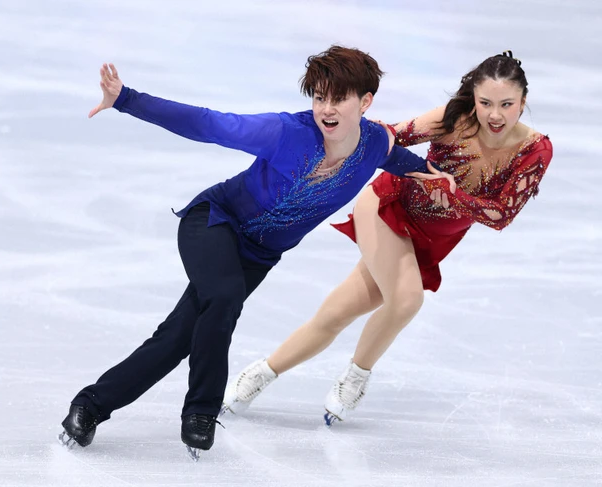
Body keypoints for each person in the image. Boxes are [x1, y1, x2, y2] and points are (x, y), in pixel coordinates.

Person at [58, 45, 447, 459]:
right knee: (223, 298)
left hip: (257, 257)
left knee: (176, 339)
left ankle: (89, 406)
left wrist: (435, 176)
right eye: (319, 97)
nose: (326, 109)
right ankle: (201, 412)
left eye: (339, 99)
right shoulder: (287, 133)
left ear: (365, 102)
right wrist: (126, 99)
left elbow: (398, 159)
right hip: (215, 223)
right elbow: (208, 123)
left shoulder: (373, 143)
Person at [223, 51, 554, 425]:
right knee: (407, 299)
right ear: (473, 99)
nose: (495, 115)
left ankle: (262, 372)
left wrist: (452, 194)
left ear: (523, 102)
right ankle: (357, 376)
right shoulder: (454, 118)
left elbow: (501, 214)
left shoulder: (535, 150)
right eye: (486, 103)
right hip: (388, 207)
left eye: (507, 104)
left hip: (430, 241)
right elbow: (388, 137)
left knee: (336, 314)